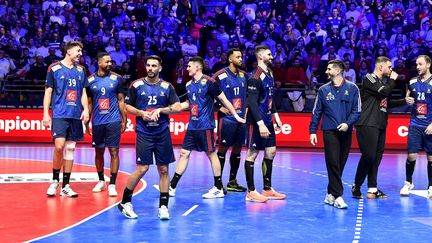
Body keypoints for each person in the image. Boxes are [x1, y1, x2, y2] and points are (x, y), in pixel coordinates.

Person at [169, 56, 245, 199]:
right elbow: (188, 104)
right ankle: (172, 187)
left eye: (189, 66)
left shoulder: (210, 82)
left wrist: (235, 115)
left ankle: (218, 188)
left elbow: (224, 100)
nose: (187, 68)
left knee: (211, 154)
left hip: (205, 126)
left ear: (197, 67)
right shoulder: (188, 85)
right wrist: (171, 109)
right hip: (192, 126)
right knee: (184, 154)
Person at [118, 55, 182, 219]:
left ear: (160, 68)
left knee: (163, 169)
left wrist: (161, 110)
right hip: (144, 133)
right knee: (142, 168)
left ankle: (163, 206)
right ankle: (125, 202)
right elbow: (126, 106)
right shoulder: (136, 85)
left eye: (154, 66)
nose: (151, 68)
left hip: (162, 132)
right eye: (148, 65)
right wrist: (141, 113)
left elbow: (177, 106)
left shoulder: (167, 87)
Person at [309, 60, 361, 209]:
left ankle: (330, 193)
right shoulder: (323, 90)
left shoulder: (353, 88)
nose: (326, 71)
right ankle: (338, 196)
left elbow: (357, 110)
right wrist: (313, 131)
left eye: (329, 68)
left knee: (339, 165)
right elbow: (316, 112)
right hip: (329, 131)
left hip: (346, 131)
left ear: (338, 71)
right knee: (332, 162)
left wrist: (347, 124)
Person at [352, 56, 406, 199]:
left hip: (380, 123)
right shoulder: (369, 78)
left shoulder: (381, 83)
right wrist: (393, 79)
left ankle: (372, 189)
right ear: (380, 67)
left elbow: (386, 103)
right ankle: (356, 186)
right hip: (367, 122)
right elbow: (385, 92)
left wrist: (404, 101)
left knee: (376, 158)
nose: (391, 69)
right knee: (369, 155)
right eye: (389, 67)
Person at [43, 41, 89, 197]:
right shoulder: (54, 68)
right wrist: (45, 113)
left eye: (81, 51)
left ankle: (66, 185)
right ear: (68, 51)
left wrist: (86, 109)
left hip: (75, 114)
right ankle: (55, 180)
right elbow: (48, 92)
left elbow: (83, 92)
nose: (80, 54)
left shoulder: (81, 70)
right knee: (59, 146)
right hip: (60, 114)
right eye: (78, 51)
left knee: (70, 148)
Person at [244, 45, 286, 203]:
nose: (272, 56)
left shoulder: (270, 73)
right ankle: (251, 191)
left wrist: (276, 116)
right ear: (260, 57)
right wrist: (260, 124)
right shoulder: (254, 76)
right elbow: (252, 103)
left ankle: (267, 189)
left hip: (268, 120)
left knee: (271, 152)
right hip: (257, 122)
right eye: (269, 54)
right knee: (252, 154)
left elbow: (270, 98)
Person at [85, 52, 127, 197]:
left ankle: (113, 184)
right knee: (99, 152)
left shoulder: (117, 79)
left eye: (111, 62)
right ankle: (101, 180)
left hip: (113, 120)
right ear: (99, 63)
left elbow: (121, 100)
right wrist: (87, 121)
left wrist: (124, 119)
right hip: (98, 121)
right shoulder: (89, 81)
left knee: (114, 151)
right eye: (107, 62)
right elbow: (89, 103)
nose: (110, 64)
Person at [213, 48, 247, 192]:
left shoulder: (245, 76)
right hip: (227, 120)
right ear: (230, 59)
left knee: (238, 149)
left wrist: (246, 112)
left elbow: (250, 96)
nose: (241, 59)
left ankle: (232, 181)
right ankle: (218, 183)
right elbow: (208, 93)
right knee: (223, 148)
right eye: (237, 57)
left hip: (241, 119)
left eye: (241, 56)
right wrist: (218, 107)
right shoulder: (219, 76)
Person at [400, 55, 432, 198]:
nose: (417, 67)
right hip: (415, 123)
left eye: (420, 64)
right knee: (411, 155)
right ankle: (408, 183)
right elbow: (408, 98)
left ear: (428, 65)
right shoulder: (412, 81)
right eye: (416, 64)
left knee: (431, 158)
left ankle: (431, 186)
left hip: (430, 124)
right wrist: (408, 101)